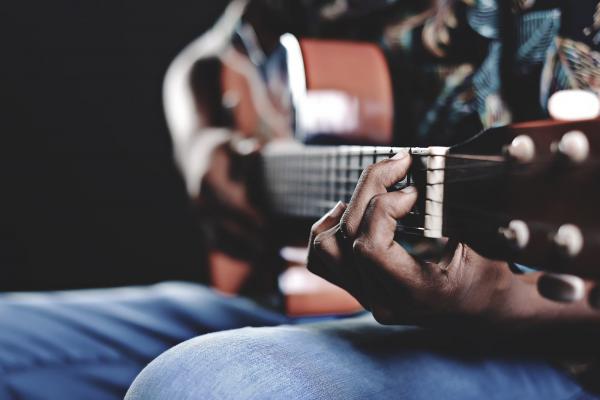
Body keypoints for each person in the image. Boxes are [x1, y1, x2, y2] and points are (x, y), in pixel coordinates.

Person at [2, 1, 600, 400]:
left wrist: (499, 301)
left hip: (546, 352)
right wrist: (203, 144)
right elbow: (205, 61)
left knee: (204, 386)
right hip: (314, 300)